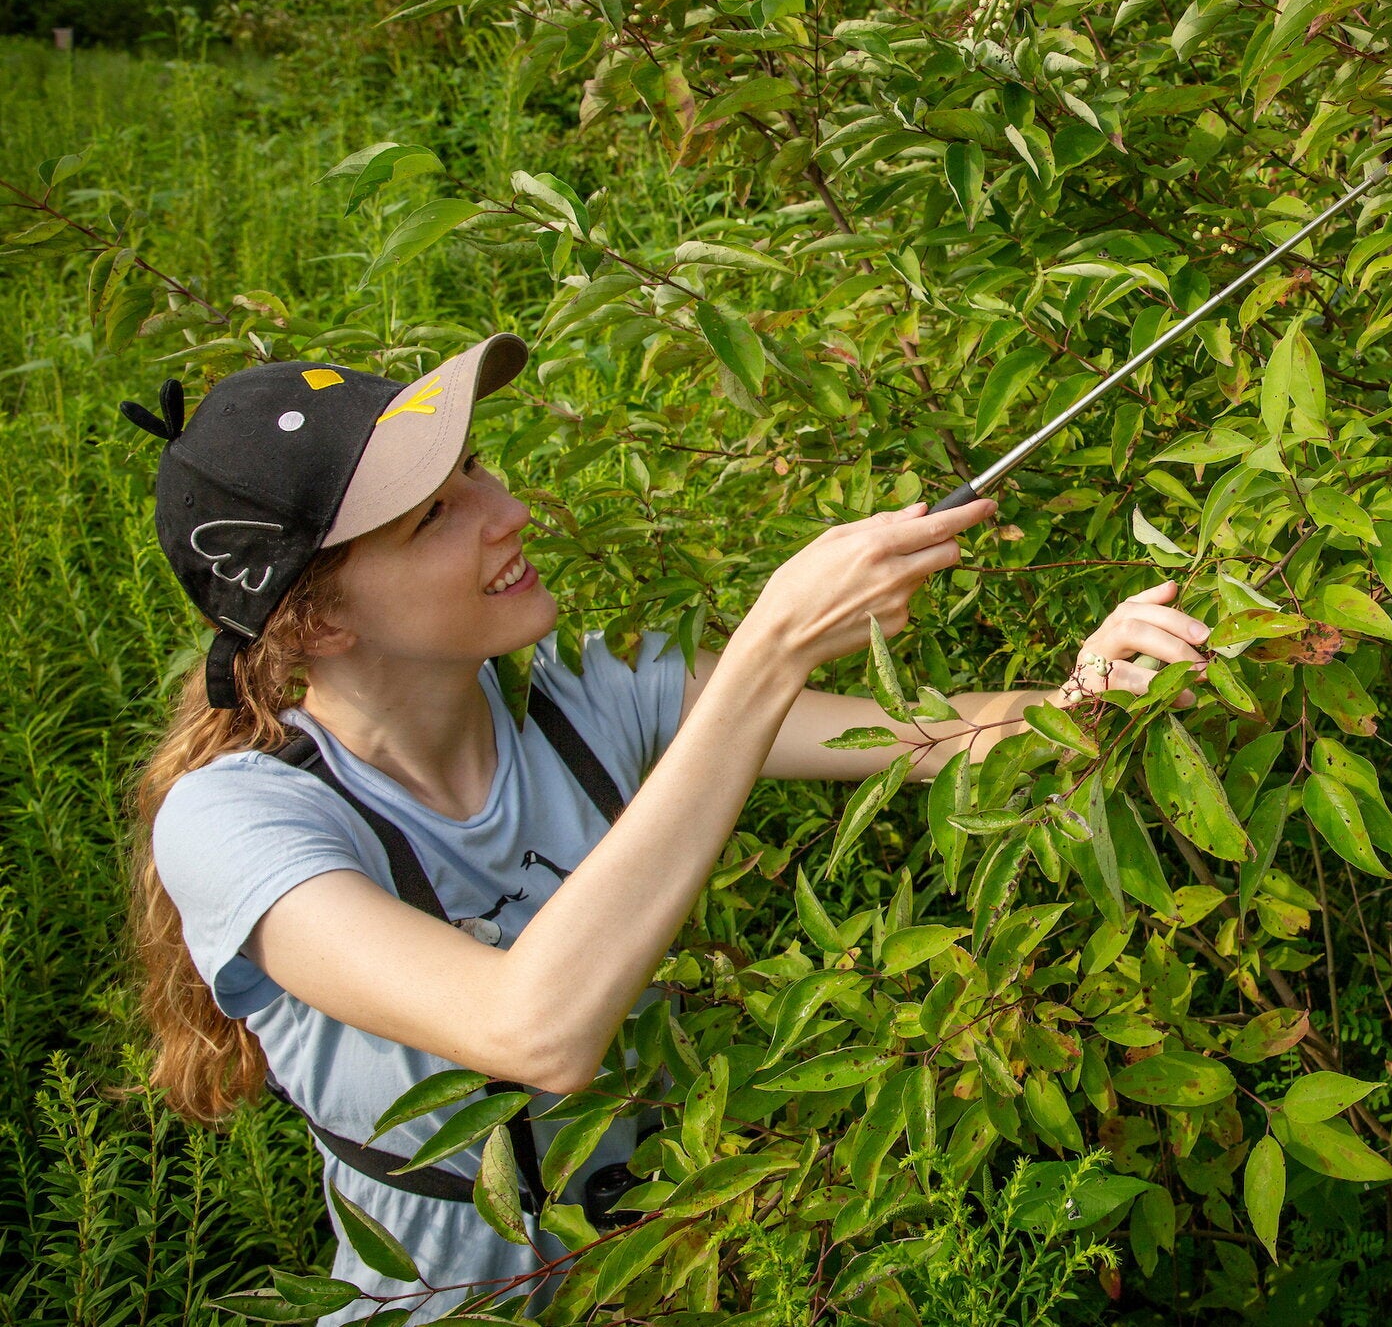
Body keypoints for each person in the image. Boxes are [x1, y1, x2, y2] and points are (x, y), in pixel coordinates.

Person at [124, 334, 1212, 1321]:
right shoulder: (237, 819)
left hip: (674, 1278)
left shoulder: (594, 700)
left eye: (474, 472)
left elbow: (938, 737)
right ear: (316, 617)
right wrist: (773, 643)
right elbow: (531, 1028)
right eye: (434, 517)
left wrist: (1083, 696)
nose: (505, 511)